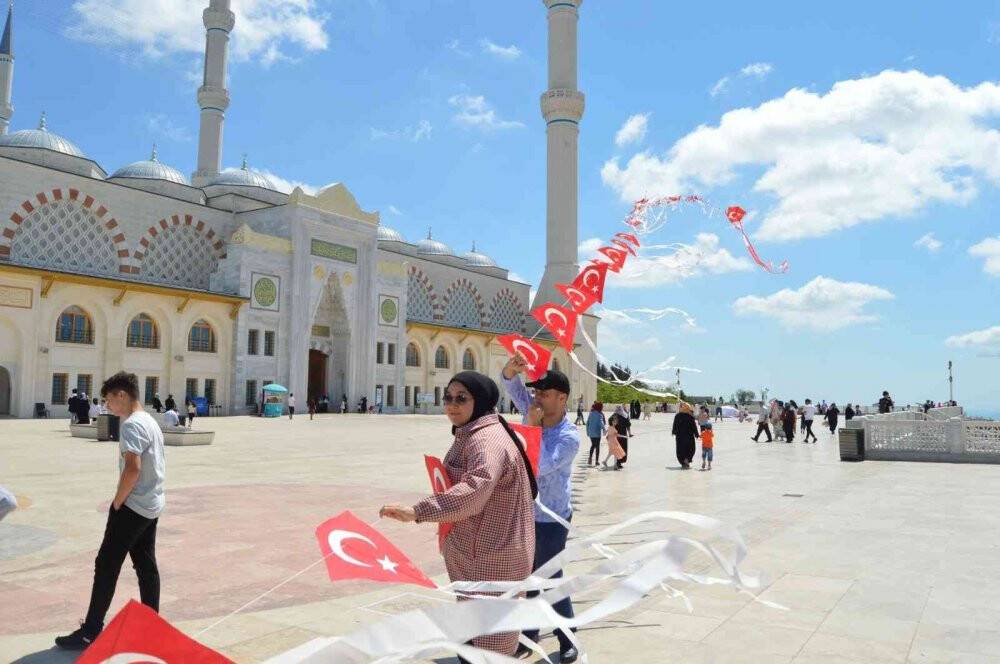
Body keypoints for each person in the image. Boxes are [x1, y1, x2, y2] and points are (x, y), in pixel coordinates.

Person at [379, 372, 537, 658]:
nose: (452, 405)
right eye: (448, 397)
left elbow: (474, 491)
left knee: (490, 645)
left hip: (492, 555)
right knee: (478, 637)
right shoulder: (475, 431)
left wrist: (418, 512)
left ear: (481, 401)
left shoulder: (485, 441)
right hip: (485, 551)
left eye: (462, 398)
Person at [55, 372, 165, 650]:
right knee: (145, 565)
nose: (107, 407)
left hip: (132, 506)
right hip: (151, 504)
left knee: (106, 565)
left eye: (108, 400)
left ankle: (91, 630)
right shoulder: (151, 421)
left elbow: (133, 468)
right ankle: (152, 625)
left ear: (122, 395)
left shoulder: (132, 425)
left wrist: (118, 502)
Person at [501, 356, 580, 663]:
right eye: (536, 393)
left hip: (552, 517)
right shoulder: (533, 411)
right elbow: (512, 386)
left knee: (549, 577)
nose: (536, 398)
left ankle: (567, 636)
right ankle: (529, 635)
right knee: (529, 576)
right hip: (526, 513)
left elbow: (542, 467)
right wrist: (511, 369)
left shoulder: (568, 436)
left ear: (562, 398)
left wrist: (531, 428)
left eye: (544, 394)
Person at [672, 402, 699, 469]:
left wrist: (674, 431)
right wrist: (696, 434)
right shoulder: (690, 417)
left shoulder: (677, 416)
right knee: (691, 449)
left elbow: (674, 425)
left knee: (680, 449)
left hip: (680, 437)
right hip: (689, 437)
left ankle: (683, 461)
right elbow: (694, 426)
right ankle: (687, 460)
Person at [606, 405, 631, 469]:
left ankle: (617, 463)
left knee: (616, 450)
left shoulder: (613, 416)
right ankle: (619, 463)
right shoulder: (624, 416)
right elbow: (628, 425)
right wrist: (629, 433)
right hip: (622, 435)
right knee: (622, 449)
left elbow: (610, 423)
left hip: (615, 436)